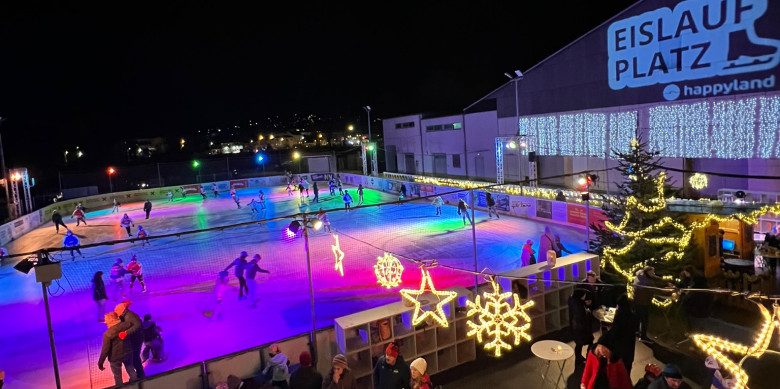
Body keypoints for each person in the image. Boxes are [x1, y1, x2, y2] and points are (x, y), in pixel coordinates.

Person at [98, 312, 136, 386]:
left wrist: (100, 363)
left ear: (111, 321)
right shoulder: (127, 325)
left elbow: (105, 350)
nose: (105, 323)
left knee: (117, 376)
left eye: (107, 321)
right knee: (131, 369)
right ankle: (136, 384)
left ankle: (120, 386)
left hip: (115, 357)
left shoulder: (107, 334)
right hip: (128, 353)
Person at [633, 266, 670, 343]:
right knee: (644, 319)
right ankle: (643, 336)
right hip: (643, 302)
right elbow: (655, 289)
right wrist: (667, 290)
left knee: (638, 317)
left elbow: (656, 278)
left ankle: (636, 332)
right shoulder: (646, 280)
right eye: (652, 272)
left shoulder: (642, 275)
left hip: (639, 301)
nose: (653, 273)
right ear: (648, 271)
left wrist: (667, 283)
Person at [607, 294, 638, 374]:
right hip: (629, 351)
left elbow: (615, 333)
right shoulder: (633, 316)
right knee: (627, 372)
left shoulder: (619, 317)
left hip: (619, 351)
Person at [115, 301, 145, 379]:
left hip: (136, 340)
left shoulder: (130, 316)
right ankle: (139, 374)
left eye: (117, 310)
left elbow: (137, 325)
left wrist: (126, 332)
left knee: (135, 358)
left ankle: (141, 375)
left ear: (122, 310)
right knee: (134, 357)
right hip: (133, 339)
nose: (116, 312)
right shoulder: (124, 316)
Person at [569, 289, 594, 366]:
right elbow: (583, 317)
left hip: (576, 329)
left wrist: (584, 303)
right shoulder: (579, 307)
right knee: (590, 342)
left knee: (579, 345)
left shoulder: (573, 302)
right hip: (582, 330)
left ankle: (578, 358)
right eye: (583, 296)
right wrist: (589, 313)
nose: (584, 297)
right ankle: (588, 358)